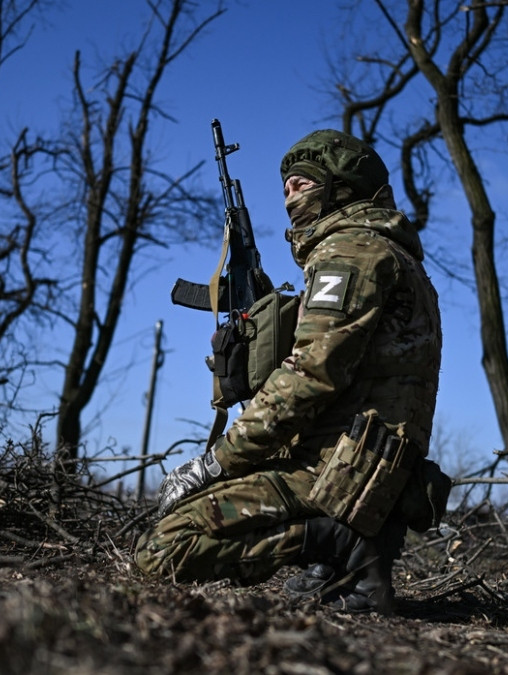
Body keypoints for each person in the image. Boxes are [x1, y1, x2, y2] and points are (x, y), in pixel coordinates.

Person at [134, 129, 442, 614]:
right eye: (286, 187)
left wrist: (215, 462)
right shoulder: (388, 254)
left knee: (163, 547)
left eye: (304, 184)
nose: (290, 196)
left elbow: (310, 376)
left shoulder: (351, 253)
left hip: (335, 472)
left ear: (342, 187)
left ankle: (340, 544)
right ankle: (339, 557)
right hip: (362, 467)